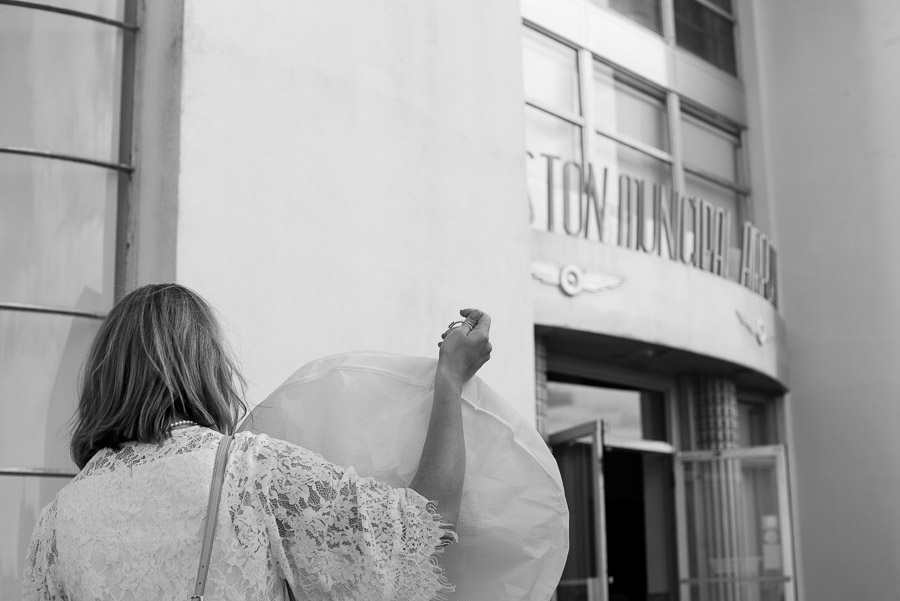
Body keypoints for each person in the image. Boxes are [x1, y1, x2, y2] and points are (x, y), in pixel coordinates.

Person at [22, 283, 492, 600]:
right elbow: (425, 525)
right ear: (203, 368)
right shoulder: (249, 472)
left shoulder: (55, 523)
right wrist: (450, 378)